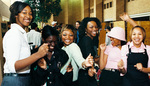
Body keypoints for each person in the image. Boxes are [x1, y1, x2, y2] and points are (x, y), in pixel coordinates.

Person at [1, 1, 48, 86]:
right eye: (24, 13)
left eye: (30, 13)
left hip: (22, 79)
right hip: (15, 81)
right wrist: (38, 54)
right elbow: (13, 66)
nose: (28, 16)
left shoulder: (21, 33)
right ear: (16, 15)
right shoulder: (14, 34)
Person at [78, 17, 101, 86]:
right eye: (91, 27)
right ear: (85, 29)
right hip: (87, 74)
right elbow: (91, 59)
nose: (94, 29)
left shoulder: (89, 39)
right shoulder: (87, 40)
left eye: (96, 27)